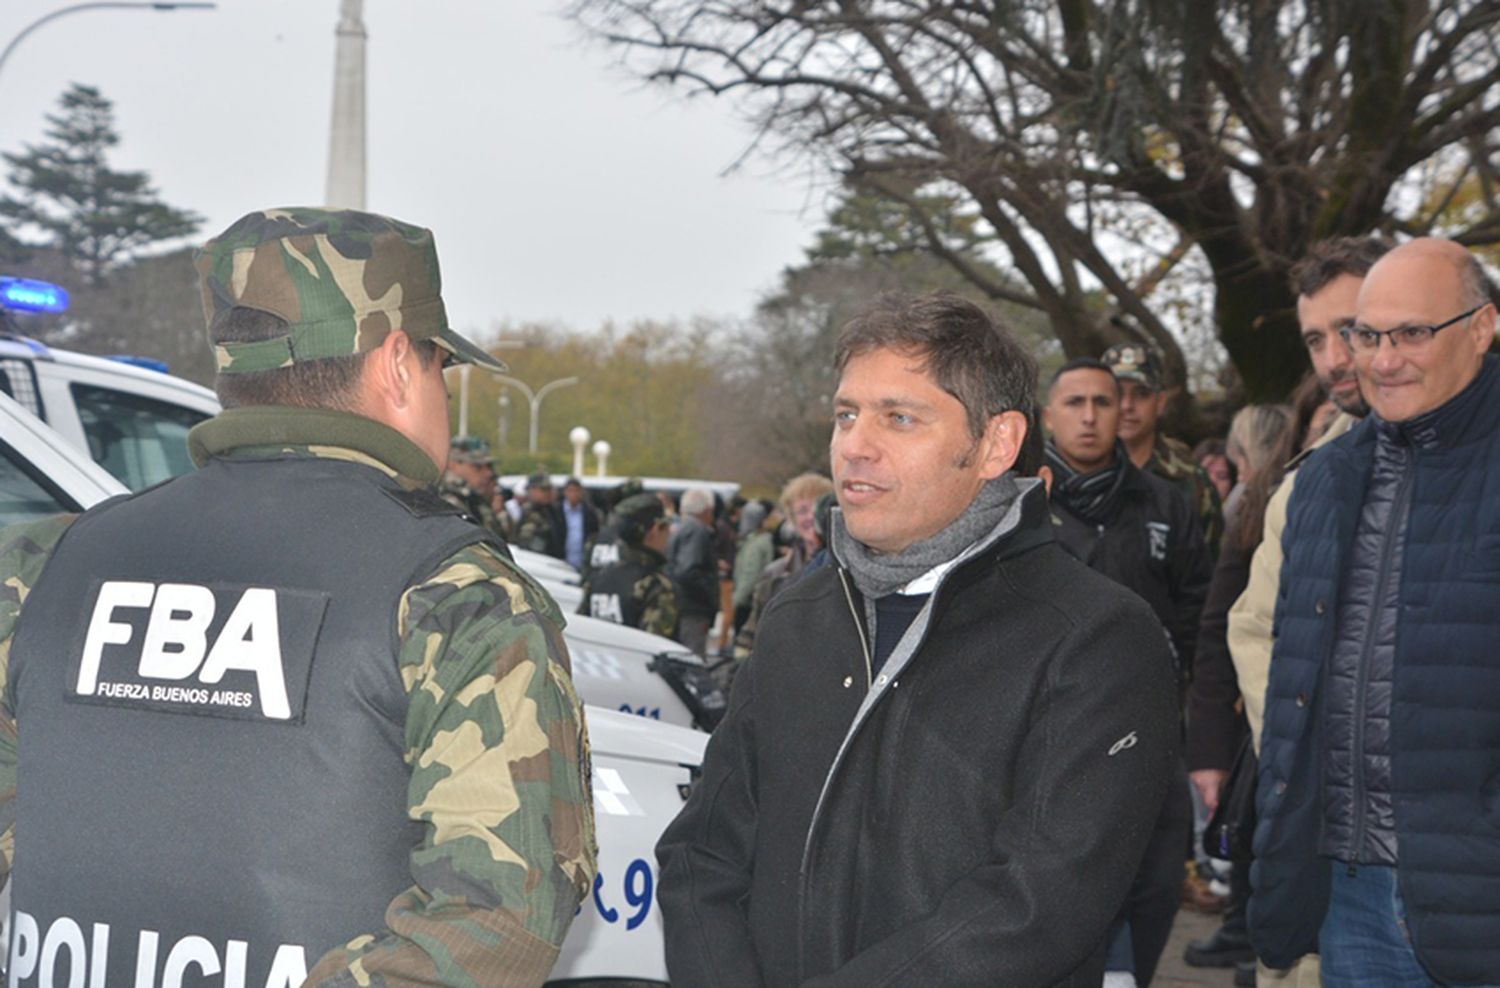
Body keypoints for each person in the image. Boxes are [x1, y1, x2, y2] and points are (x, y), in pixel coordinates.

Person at [0, 207, 595, 988]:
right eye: (439, 365)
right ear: (395, 365)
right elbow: (501, 916)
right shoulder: (456, 595)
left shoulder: (49, 565)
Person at [656, 291, 1178, 986]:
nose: (855, 445)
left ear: (996, 444)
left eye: (899, 418)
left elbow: (1035, 909)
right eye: (847, 414)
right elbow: (702, 855)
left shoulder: (1096, 640)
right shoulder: (799, 616)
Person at [1250, 238, 1500, 987]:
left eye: (1414, 333)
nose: (1381, 359)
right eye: (1368, 335)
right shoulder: (1325, 477)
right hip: (1345, 892)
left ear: (1484, 327)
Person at [1226, 235, 1391, 988]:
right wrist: (1304, 742)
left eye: (1351, 328)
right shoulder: (1312, 477)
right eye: (1317, 339)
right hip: (1325, 848)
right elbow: (1251, 624)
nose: (1334, 359)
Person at [1041, 356, 1212, 987]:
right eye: (1075, 403)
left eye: (1103, 403)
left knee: (1156, 885)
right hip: (1051, 743)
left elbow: (1198, 610)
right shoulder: (1018, 508)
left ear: (1125, 414)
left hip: (1152, 740)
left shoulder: (1167, 502)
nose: (1089, 417)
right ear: (1047, 416)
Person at [1181, 404, 1296, 981]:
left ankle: (1249, 935)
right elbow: (1225, 622)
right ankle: (1246, 933)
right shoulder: (1248, 511)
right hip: (1251, 709)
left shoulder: (1261, 505)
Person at [1102, 342, 1225, 553]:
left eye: (1141, 393)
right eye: (1117, 393)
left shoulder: (1189, 478)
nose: (1127, 406)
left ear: (1160, 402)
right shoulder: (1076, 469)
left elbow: (1210, 568)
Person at [576, 492, 678, 639]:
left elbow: (580, 631)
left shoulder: (598, 578)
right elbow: (655, 646)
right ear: (655, 530)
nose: (669, 534)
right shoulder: (656, 585)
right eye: (666, 527)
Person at [666, 486, 719, 655]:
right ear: (707, 509)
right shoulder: (696, 530)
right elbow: (687, 571)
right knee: (691, 661)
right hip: (692, 610)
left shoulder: (680, 527)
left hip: (681, 605)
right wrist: (707, 596)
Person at [440, 433, 512, 541]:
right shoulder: (445, 500)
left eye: (489, 467)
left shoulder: (475, 499)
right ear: (453, 464)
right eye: (477, 467)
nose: (488, 473)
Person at [516, 472, 565, 558]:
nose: (548, 493)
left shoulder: (551, 511)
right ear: (532, 490)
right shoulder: (530, 514)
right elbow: (528, 547)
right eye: (543, 490)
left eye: (549, 489)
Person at [558, 476, 601, 571]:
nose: (573, 494)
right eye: (570, 491)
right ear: (565, 492)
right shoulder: (557, 512)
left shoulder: (590, 513)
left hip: (582, 563)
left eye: (576, 491)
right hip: (561, 562)